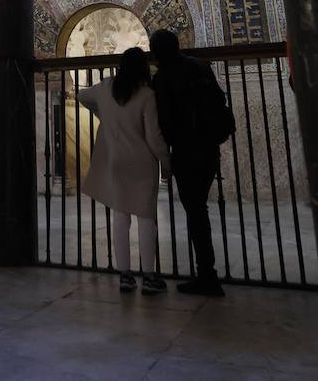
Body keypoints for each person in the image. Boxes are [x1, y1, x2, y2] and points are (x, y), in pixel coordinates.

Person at [78, 47, 171, 295]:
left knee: (120, 217)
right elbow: (154, 136)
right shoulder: (147, 95)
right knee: (146, 219)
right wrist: (166, 163)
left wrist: (103, 115)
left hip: (115, 162)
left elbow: (81, 95)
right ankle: (149, 277)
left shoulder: (106, 88)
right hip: (141, 163)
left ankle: (125, 276)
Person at [150, 29, 227, 297]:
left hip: (187, 151)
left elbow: (166, 121)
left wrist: (165, 152)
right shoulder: (201, 66)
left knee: (195, 212)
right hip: (210, 149)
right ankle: (207, 273)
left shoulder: (163, 77)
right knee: (199, 209)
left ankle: (207, 275)